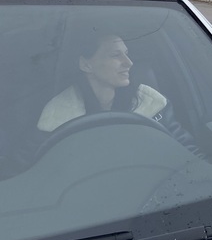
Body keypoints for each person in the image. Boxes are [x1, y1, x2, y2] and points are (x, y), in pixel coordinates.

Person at [36, 32, 200, 155]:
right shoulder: (56, 115)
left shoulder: (151, 102)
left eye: (126, 54)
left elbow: (188, 154)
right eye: (115, 55)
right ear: (86, 65)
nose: (128, 63)